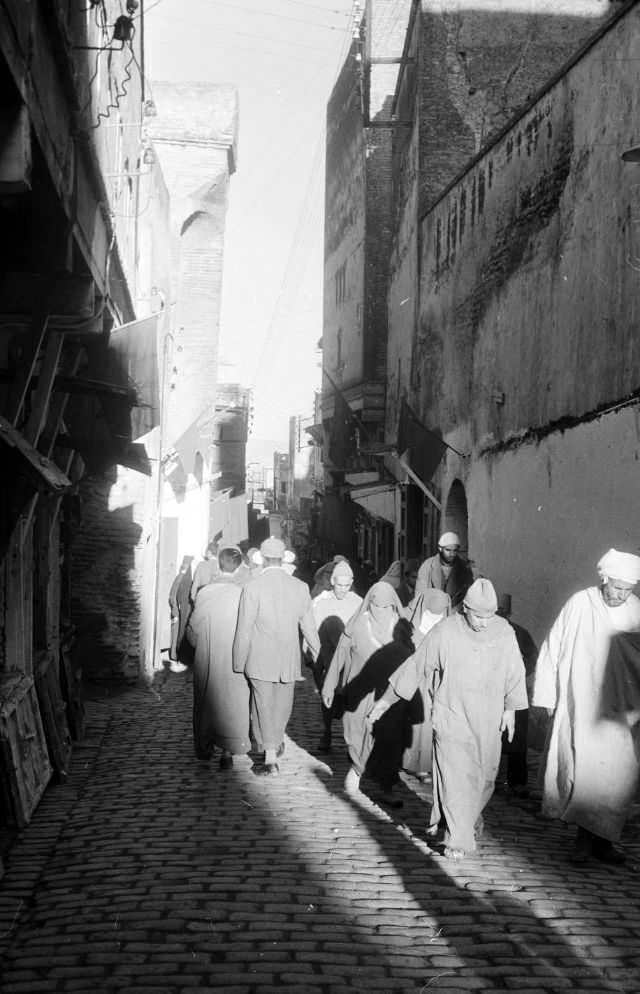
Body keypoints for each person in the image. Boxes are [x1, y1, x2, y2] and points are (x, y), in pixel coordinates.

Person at [368, 578, 527, 860]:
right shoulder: (445, 631)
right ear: (465, 608)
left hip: (488, 718)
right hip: (451, 714)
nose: (483, 623)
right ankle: (457, 839)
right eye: (478, 616)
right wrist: (385, 701)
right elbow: (416, 666)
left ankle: (464, 820)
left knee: (485, 778)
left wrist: (511, 709)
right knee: (454, 776)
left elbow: (514, 671)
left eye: (489, 616)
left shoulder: (503, 632)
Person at [532, 548, 640, 864]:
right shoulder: (580, 604)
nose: (621, 595)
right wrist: (546, 698)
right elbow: (554, 646)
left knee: (619, 777)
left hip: (621, 710)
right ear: (604, 580)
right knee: (585, 772)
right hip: (581, 703)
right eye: (617, 587)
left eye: (628, 589)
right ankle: (584, 839)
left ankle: (603, 839)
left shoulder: (636, 611)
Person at [233, 536, 320, 776]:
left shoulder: (252, 587)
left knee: (261, 704)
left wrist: (239, 662)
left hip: (259, 657)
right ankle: (274, 741)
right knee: (283, 704)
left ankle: (269, 753)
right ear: (283, 559)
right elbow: (309, 627)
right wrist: (318, 654)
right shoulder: (300, 587)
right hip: (288, 658)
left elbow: (244, 628)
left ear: (261, 560)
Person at [322, 581, 411, 805]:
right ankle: (356, 770)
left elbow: (416, 661)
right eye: (375, 606)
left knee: (388, 739)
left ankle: (386, 787)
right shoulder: (358, 624)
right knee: (356, 731)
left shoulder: (402, 628)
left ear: (393, 605)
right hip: (359, 691)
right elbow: (340, 655)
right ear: (368, 604)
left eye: (385, 607)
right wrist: (329, 685)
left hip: (389, 695)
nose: (380, 611)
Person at [186, 548, 250, 769]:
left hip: (209, 654)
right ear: (240, 566)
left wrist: (198, 646)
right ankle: (227, 750)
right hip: (234, 657)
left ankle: (205, 745)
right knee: (232, 701)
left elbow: (193, 628)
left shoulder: (205, 593)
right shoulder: (243, 593)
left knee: (207, 700)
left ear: (219, 565)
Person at [308, 560, 363, 753]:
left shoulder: (358, 602)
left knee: (349, 698)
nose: (343, 589)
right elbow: (312, 631)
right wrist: (313, 659)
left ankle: (351, 742)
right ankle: (327, 732)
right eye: (339, 585)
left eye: (347, 585)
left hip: (349, 659)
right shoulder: (321, 602)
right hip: (326, 658)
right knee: (327, 696)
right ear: (332, 581)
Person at [401, 588, 451, 779]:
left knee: (432, 722)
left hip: (438, 679)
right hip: (415, 678)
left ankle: (430, 763)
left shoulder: (446, 623)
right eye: (432, 613)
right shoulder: (408, 623)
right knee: (417, 722)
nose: (435, 617)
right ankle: (412, 762)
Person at [496, 594, 539, 799]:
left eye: (503, 612)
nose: (499, 616)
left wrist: (518, 674)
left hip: (514, 690)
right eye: (496, 612)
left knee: (517, 738)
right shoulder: (483, 630)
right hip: (488, 691)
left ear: (509, 613)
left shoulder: (520, 633)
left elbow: (532, 657)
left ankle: (517, 781)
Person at [415, 532, 473, 609]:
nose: (452, 554)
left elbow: (468, 594)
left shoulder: (464, 568)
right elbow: (420, 594)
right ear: (440, 548)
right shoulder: (427, 566)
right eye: (448, 550)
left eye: (455, 551)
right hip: (432, 612)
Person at [168, 555, 195, 666]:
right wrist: (175, 610)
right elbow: (173, 595)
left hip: (187, 611)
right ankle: (178, 655)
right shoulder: (180, 578)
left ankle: (185, 656)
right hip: (180, 610)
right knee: (179, 633)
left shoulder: (189, 580)